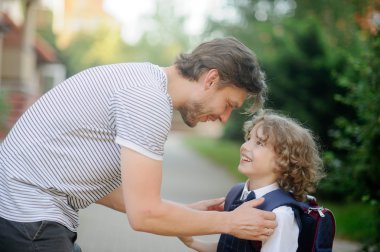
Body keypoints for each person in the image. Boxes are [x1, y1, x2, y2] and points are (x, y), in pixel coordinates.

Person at [0, 37, 277, 251]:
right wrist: (230, 222)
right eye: (228, 104)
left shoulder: (144, 81)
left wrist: (182, 214)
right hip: (28, 218)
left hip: (19, 213)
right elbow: (144, 214)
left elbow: (84, 182)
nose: (223, 117)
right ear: (211, 79)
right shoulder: (149, 101)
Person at [179, 110, 325, 252]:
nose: (245, 147)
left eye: (259, 143)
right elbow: (229, 246)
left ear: (283, 160)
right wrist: (192, 242)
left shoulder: (280, 214)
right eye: (249, 139)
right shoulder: (236, 193)